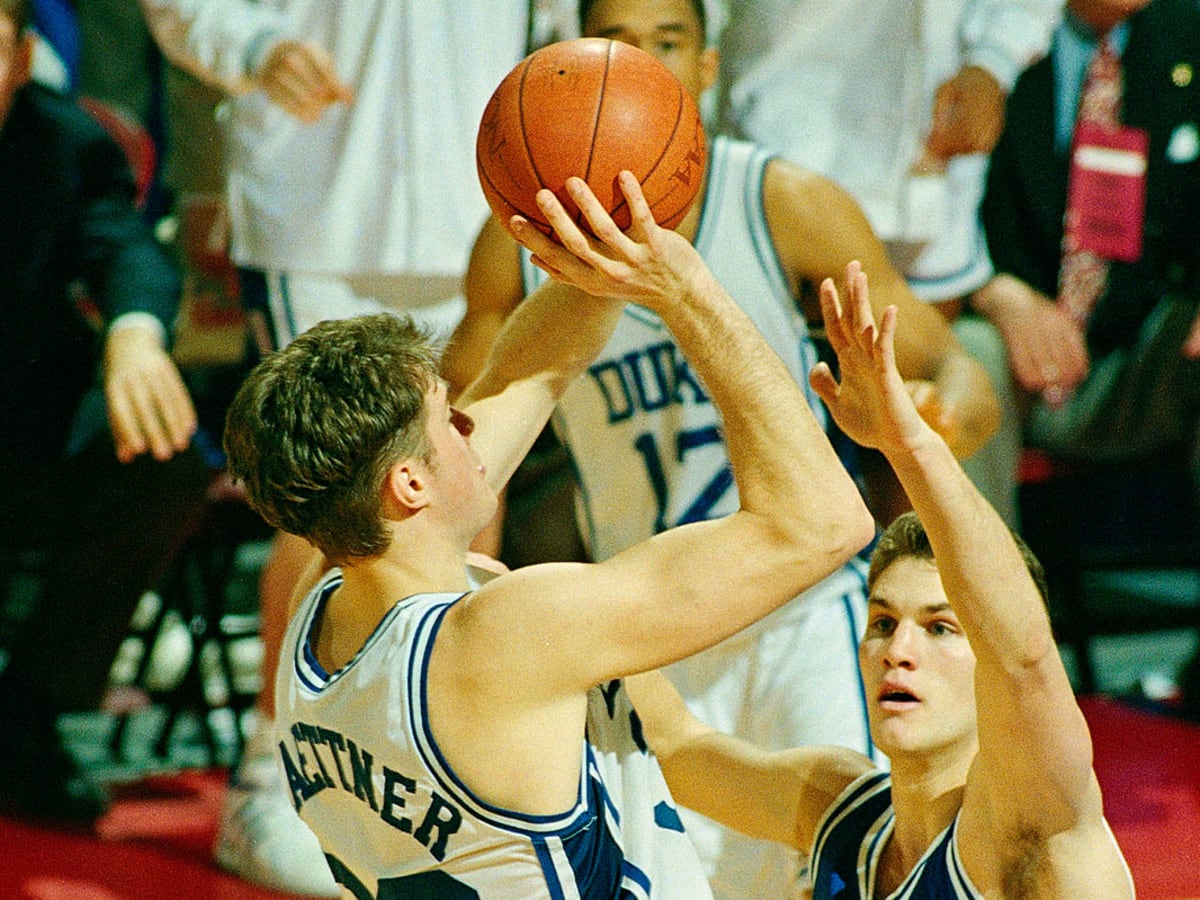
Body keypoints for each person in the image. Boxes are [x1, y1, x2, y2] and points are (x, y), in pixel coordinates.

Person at [440, 1, 998, 894]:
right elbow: (468, 456)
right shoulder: (524, 240)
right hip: (650, 621)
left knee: (852, 867)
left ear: (705, 68)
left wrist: (932, 421)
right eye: (617, 42)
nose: (640, 61)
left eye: (669, 42)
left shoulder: (783, 203)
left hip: (805, 619)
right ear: (574, 63)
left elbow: (959, 371)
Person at [221, 173, 876, 896]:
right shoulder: (510, 634)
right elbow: (821, 523)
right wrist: (686, 290)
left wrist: (609, 243)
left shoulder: (323, 610)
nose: (471, 421)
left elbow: (527, 375)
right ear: (410, 484)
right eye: (449, 416)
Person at [138, 2, 533, 892]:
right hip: (317, 201)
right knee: (332, 504)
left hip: (482, 181)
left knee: (472, 489)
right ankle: (271, 778)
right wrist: (251, 46)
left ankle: (440, 769)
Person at [624, 262, 1136, 899]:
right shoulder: (840, 808)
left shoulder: (1034, 819)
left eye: (941, 628)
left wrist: (910, 445)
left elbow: (1025, 655)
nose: (899, 651)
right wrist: (684, 291)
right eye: (884, 623)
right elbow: (675, 748)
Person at [713, 0, 1064, 525]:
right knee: (766, 454)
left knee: (922, 447)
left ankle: (944, 598)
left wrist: (995, 58)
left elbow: (960, 391)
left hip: (932, 153)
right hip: (780, 147)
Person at [0, 0, 210, 824]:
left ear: (21, 58)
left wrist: (133, 335)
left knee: (162, 458)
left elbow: (126, 248)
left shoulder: (66, 143)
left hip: (24, 430)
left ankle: (30, 719)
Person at [969, 0, 1199, 513]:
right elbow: (927, 202)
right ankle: (983, 589)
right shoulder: (983, 39)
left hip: (1140, 351)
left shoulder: (1187, 32)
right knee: (967, 352)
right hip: (1012, 344)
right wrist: (992, 292)